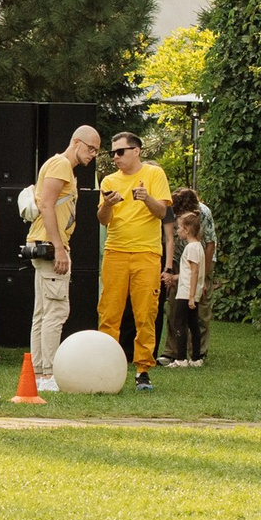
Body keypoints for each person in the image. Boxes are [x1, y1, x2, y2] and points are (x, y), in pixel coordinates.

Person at [96, 133, 174, 393]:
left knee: (145, 314)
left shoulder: (154, 175)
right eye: (112, 153)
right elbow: (103, 219)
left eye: (120, 152)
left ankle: (143, 371)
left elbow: (163, 213)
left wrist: (146, 198)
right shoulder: (108, 180)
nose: (115, 157)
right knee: (109, 312)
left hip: (147, 254)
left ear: (137, 151)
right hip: (115, 252)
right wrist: (107, 204)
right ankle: (106, 367)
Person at [28, 126, 101, 390]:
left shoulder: (60, 166)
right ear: (76, 142)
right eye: (90, 148)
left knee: (44, 312)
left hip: (44, 242)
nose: (93, 154)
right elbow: (46, 204)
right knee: (56, 311)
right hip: (50, 245)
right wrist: (59, 248)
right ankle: (47, 375)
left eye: (96, 150)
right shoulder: (60, 164)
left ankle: (39, 374)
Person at [170, 186, 219, 367]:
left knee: (196, 313)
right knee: (179, 313)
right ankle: (177, 351)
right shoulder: (174, 212)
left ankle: (195, 354)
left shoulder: (203, 213)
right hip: (183, 262)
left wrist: (203, 279)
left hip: (199, 262)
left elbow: (210, 243)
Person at [166, 208, 209, 367]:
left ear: (187, 229)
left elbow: (194, 271)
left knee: (179, 323)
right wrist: (174, 277)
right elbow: (190, 272)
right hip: (191, 291)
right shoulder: (198, 247)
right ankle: (196, 358)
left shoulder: (191, 248)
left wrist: (190, 296)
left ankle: (181, 358)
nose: (177, 231)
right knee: (193, 324)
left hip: (186, 294)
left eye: (179, 228)